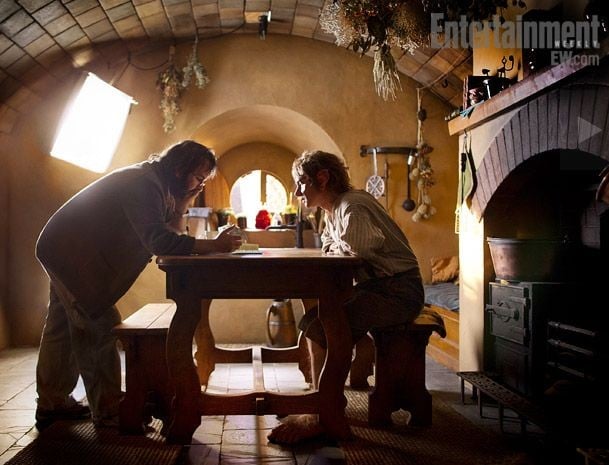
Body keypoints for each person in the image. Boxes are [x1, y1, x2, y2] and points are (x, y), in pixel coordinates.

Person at [34, 140, 242, 430]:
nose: (200, 185)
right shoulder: (143, 184)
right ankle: (108, 411)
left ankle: (51, 403)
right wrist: (213, 245)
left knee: (61, 326)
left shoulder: (162, 187)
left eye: (204, 180)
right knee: (98, 323)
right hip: (69, 252)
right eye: (198, 177)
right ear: (180, 169)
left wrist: (182, 205)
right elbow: (160, 241)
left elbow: (169, 236)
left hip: (68, 250)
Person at [268, 150, 424, 445]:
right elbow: (334, 253)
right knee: (315, 321)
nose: (297, 191)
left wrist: (336, 250)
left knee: (323, 326)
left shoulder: (353, 205)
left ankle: (322, 413)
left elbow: (353, 255)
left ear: (323, 178)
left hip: (398, 292)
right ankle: (322, 400)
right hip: (377, 289)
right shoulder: (333, 212)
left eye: (301, 182)